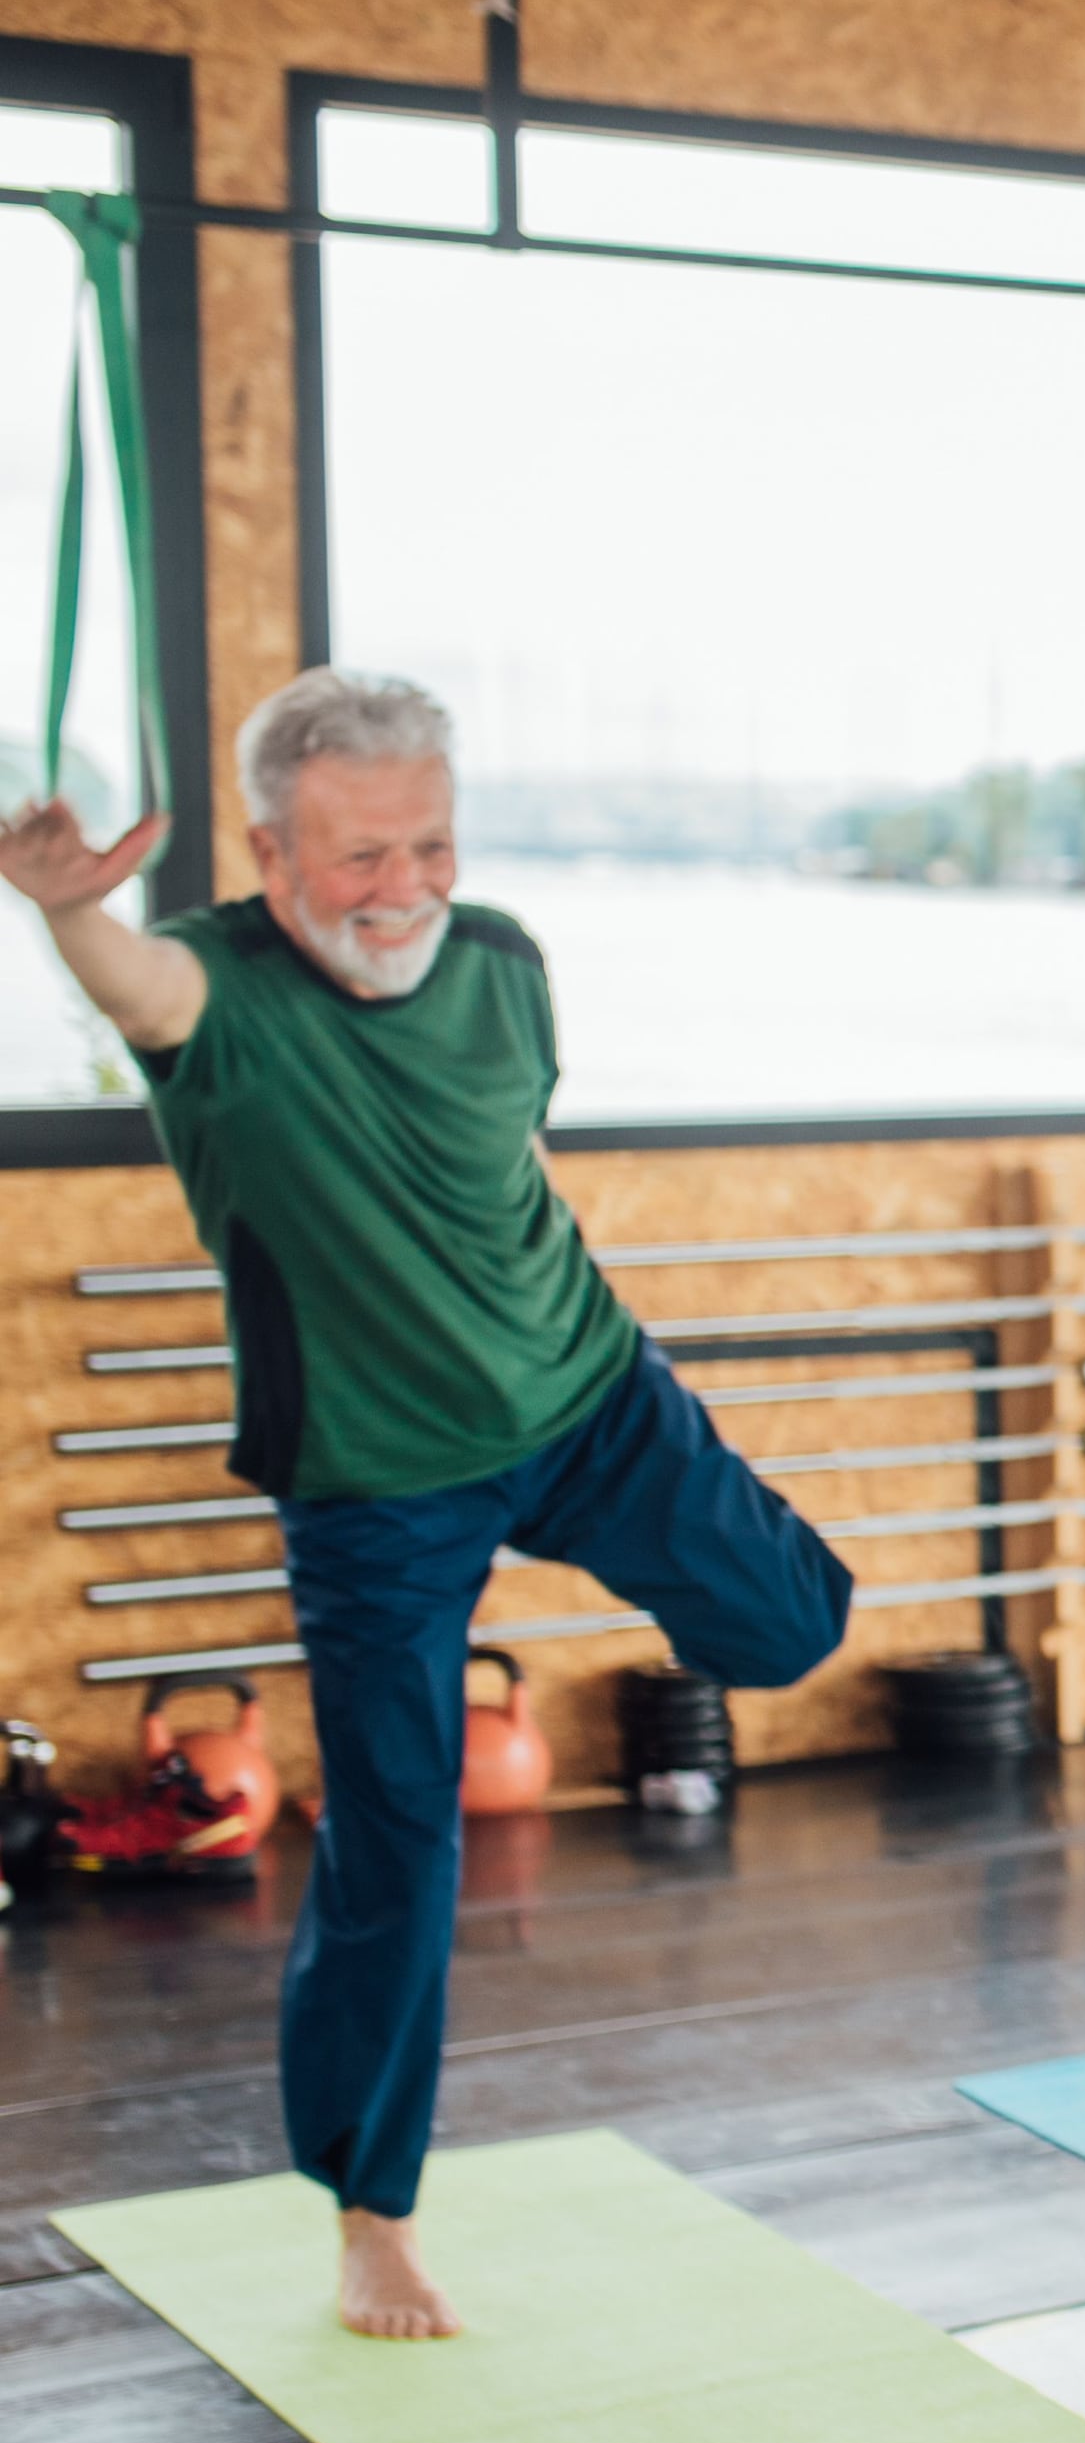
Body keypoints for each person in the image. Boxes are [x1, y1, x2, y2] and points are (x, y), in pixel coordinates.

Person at [2, 671, 853, 2340]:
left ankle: (576, 1540)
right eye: (359, 854)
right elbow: (137, 980)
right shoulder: (218, 994)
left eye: (431, 845)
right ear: (268, 849)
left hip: (587, 1396)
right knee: (398, 1841)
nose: (403, 886)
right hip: (380, 1479)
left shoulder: (505, 964)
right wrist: (68, 913)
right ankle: (372, 2212)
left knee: (795, 1620)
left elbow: (504, 1153)